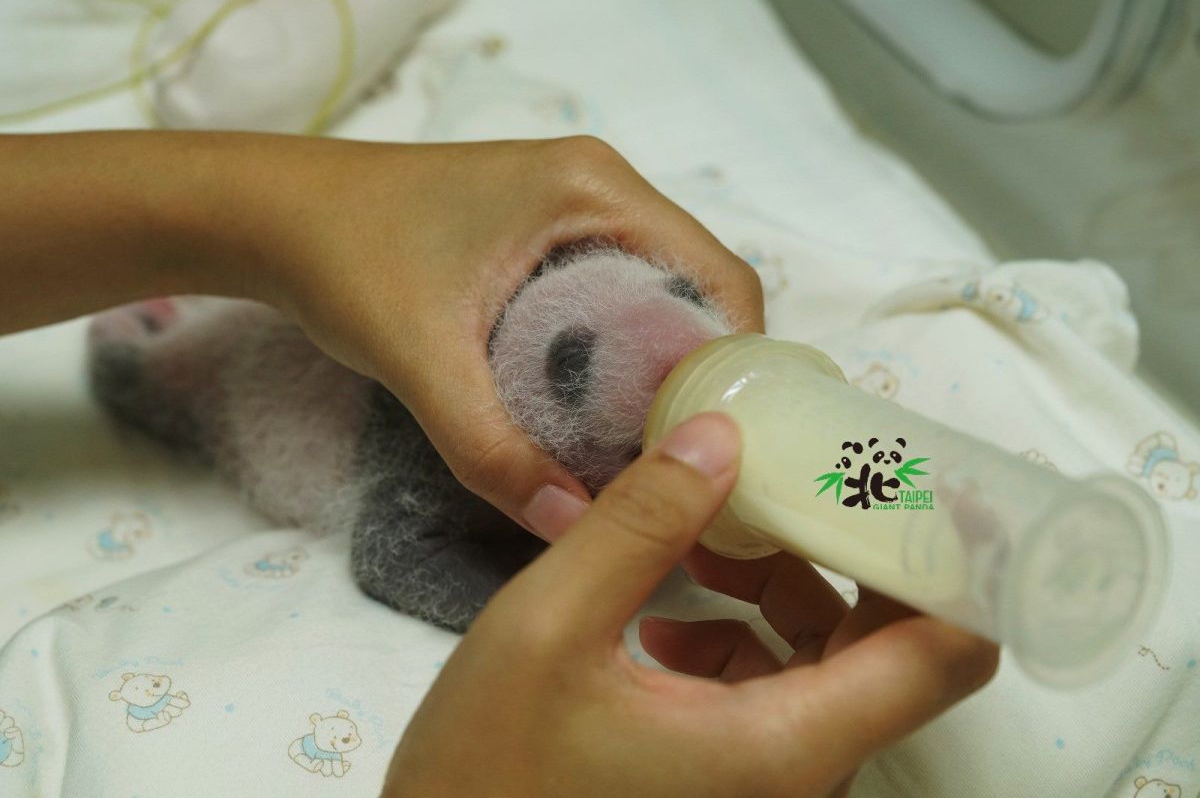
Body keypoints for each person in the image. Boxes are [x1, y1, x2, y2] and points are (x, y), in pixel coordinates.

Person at [2, 130, 998, 796]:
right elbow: (395, 549)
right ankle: (148, 359)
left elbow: (834, 462)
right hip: (260, 374)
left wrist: (261, 210)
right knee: (186, 375)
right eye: (572, 367)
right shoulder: (436, 439)